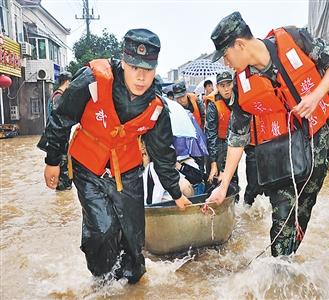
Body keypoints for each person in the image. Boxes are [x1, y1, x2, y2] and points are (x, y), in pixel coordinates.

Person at [38, 28, 191, 283]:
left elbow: (163, 155)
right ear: (123, 61)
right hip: (88, 167)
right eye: (134, 67)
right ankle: (102, 281)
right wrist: (52, 161)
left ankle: (131, 284)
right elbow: (62, 117)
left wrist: (175, 193)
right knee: (103, 228)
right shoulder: (93, 79)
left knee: (133, 236)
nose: (141, 77)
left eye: (148, 70)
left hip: (128, 170)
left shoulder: (157, 108)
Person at [207, 12, 329, 257]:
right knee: (282, 218)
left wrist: (315, 97)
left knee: (303, 210)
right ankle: (280, 271)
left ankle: (289, 259)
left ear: (239, 45)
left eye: (226, 56)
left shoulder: (293, 38)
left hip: (315, 141)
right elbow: (237, 136)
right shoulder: (241, 83)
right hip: (280, 153)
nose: (226, 63)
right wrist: (223, 185)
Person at [205, 71, 238, 187]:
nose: (226, 89)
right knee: (216, 180)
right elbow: (211, 134)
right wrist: (213, 163)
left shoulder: (237, 98)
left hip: (233, 144)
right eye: (222, 86)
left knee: (233, 178)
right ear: (217, 87)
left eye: (228, 84)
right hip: (217, 144)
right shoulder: (213, 104)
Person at [49, 71, 73, 191]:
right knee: (63, 171)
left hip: (60, 139)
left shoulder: (57, 95)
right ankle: (62, 191)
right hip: (60, 140)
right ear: (68, 82)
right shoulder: (59, 97)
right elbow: (59, 122)